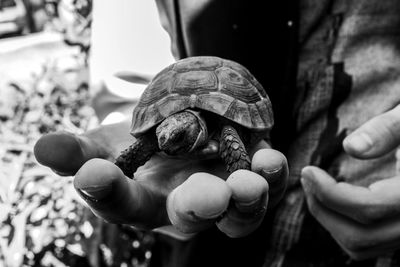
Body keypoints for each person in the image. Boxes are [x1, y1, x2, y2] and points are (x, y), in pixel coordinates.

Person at [34, 0, 400, 266]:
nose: (164, 141)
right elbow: (132, 73)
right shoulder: (163, 134)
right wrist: (127, 153)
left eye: (175, 138)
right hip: (211, 249)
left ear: (196, 129)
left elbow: (228, 134)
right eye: (163, 135)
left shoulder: (224, 130)